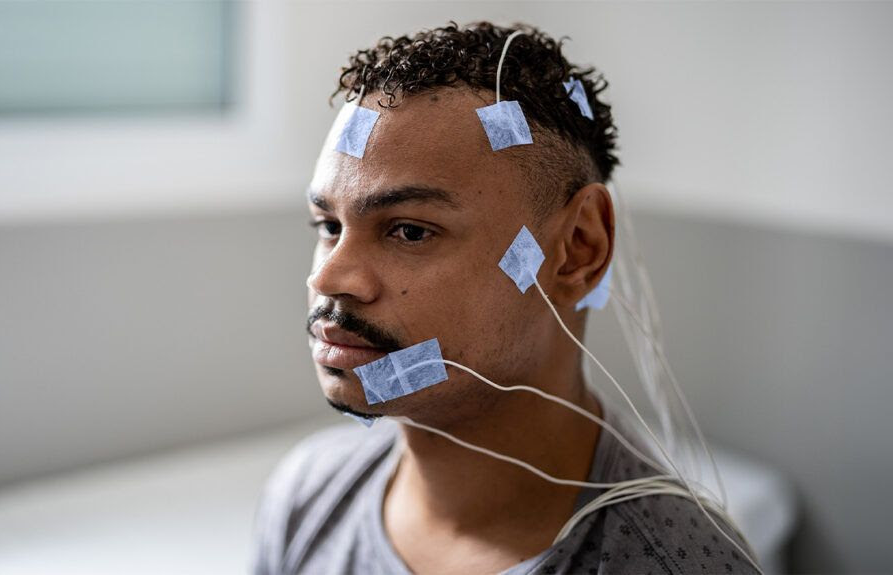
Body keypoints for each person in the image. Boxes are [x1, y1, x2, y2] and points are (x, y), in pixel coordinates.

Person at [252, 21, 757, 574]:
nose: (329, 279)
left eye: (410, 230)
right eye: (328, 225)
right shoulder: (308, 494)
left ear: (577, 250)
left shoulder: (676, 562)